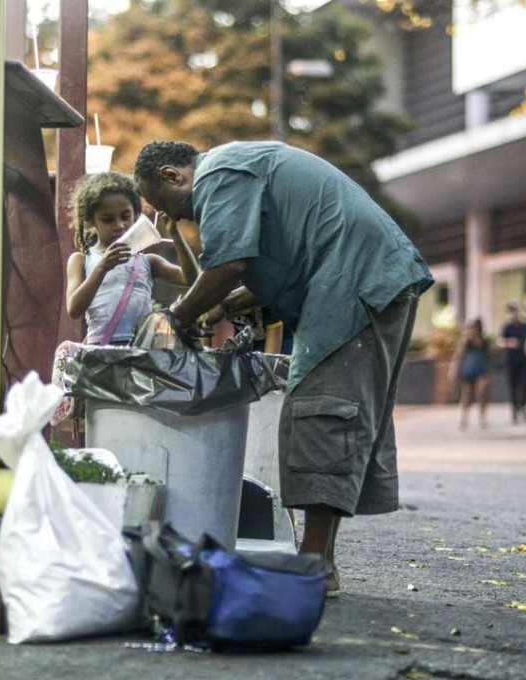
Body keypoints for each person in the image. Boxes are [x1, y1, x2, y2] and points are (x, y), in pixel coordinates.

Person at [133, 140, 433, 596]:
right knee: (325, 413)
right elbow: (277, 259)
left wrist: (177, 315)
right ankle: (317, 561)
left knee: (321, 413)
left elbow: (230, 263)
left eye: (168, 206)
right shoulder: (242, 164)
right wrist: (226, 305)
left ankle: (315, 565)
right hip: (362, 275)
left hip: (355, 278)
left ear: (175, 175)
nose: (178, 220)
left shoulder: (219, 174)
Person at [65, 171, 198, 345]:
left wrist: (176, 234)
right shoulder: (81, 260)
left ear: (136, 215)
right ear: (90, 220)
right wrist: (102, 267)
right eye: (108, 219)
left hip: (142, 348)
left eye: (125, 217)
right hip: (101, 350)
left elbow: (193, 280)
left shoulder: (149, 261)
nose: (119, 225)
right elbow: (74, 309)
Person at [448, 318, 489, 429]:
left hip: (481, 369)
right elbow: (458, 356)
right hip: (468, 370)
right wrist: (454, 369)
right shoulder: (466, 342)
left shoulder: (484, 341)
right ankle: (464, 418)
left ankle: (482, 418)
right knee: (466, 395)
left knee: (481, 394)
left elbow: (488, 356)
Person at [500, 302, 526, 424]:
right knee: (513, 385)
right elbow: (501, 340)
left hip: (524, 359)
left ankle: (524, 407)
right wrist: (509, 342)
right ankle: (514, 409)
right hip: (511, 359)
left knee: (524, 384)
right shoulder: (508, 327)